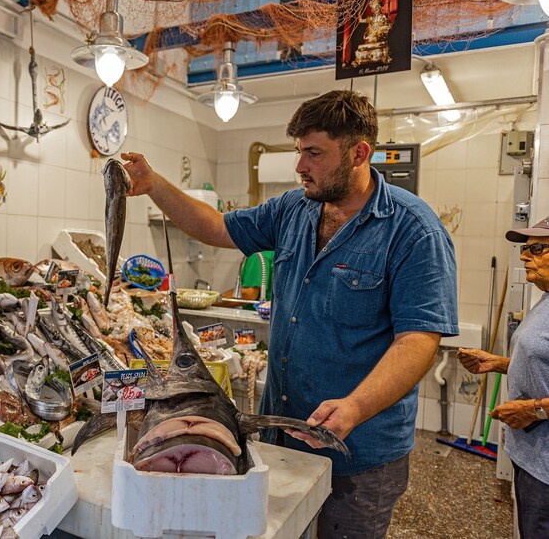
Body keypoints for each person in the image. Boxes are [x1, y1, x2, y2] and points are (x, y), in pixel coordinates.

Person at [120, 89, 458, 539]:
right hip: (281, 434)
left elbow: (418, 341)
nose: (300, 166)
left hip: (358, 453)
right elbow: (218, 227)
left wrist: (354, 407)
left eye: (314, 153)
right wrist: (155, 185)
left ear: (360, 153)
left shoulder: (413, 229)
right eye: (299, 152)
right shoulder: (294, 208)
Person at [457, 215, 549, 538]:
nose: (524, 256)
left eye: (536, 248)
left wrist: (531, 409)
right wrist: (496, 363)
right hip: (532, 461)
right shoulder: (545, 300)